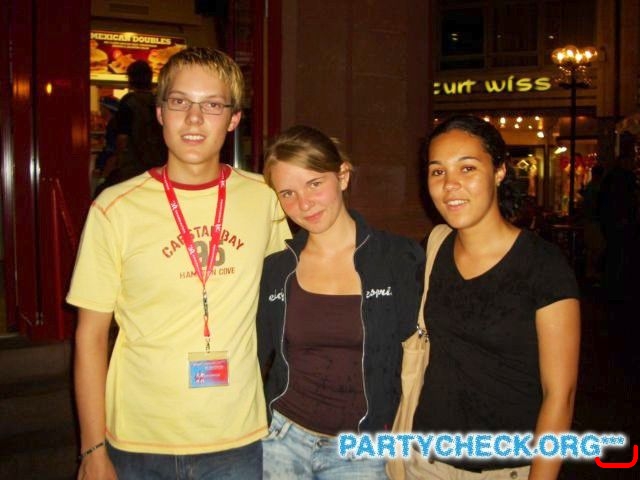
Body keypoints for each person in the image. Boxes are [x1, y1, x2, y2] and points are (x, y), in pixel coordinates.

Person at [67, 47, 290, 480]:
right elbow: (90, 335)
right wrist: (92, 449)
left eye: (212, 105)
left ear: (234, 119)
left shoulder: (265, 199)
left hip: (237, 436)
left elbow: (295, 291)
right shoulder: (115, 209)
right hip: (138, 441)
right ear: (159, 113)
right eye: (180, 101)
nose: (193, 118)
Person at [408, 115, 580, 480]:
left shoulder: (542, 265)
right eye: (438, 172)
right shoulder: (434, 248)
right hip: (426, 464)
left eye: (467, 168)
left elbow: (560, 396)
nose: (450, 185)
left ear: (499, 171)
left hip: (506, 469)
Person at [257, 125, 425, 479]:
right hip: (282, 440)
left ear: (343, 176)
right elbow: (253, 355)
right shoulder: (277, 269)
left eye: (314, 184)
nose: (303, 204)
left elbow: (425, 356)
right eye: (288, 193)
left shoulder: (398, 259)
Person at [100, 60, 167, 192]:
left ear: (130, 79)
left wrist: (116, 159)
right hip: (159, 163)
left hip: (134, 165)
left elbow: (122, 138)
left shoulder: (129, 102)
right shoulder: (159, 102)